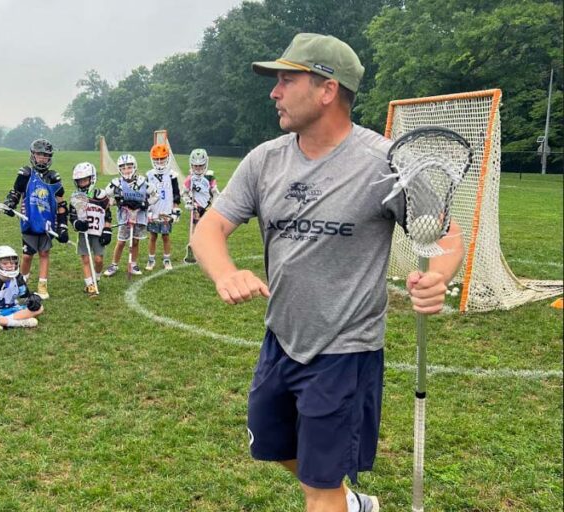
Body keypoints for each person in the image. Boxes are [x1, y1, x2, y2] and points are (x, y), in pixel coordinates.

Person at [190, 33, 464, 512]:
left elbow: (448, 235)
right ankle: (348, 500)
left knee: (319, 490)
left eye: (287, 80)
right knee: (272, 445)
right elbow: (208, 229)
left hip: (345, 352)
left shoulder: (385, 164)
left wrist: (438, 275)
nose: (274, 92)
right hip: (281, 340)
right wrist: (224, 272)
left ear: (327, 89)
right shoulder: (265, 160)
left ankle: (335, 497)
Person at [1, 138, 68, 300]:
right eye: (39, 154)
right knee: (27, 255)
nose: (42, 158)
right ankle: (21, 285)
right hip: (29, 221)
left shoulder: (53, 177)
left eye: (45, 155)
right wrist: (10, 204)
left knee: (44, 253)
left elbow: (61, 203)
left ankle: (42, 286)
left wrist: (63, 226)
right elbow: (15, 192)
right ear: (33, 155)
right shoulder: (26, 174)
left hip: (47, 222)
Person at [103, 154, 153, 277]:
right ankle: (114, 265)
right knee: (121, 242)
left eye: (129, 167)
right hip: (124, 217)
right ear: (120, 169)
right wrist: (115, 201)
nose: (127, 170)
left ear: (134, 167)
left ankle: (133, 264)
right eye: (123, 168)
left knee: (135, 241)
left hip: (139, 216)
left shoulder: (142, 182)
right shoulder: (117, 183)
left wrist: (146, 204)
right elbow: (105, 196)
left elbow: (155, 195)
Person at [69, 162, 112, 297]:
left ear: (92, 179)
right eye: (79, 181)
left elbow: (108, 214)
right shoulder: (75, 197)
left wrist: (107, 230)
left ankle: (96, 277)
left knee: (98, 259)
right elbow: (72, 216)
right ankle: (89, 285)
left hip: (98, 232)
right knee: (86, 259)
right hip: (85, 234)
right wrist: (77, 224)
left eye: (85, 180)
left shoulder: (101, 196)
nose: (82, 183)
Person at [145, 143, 181, 271]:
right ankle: (151, 260)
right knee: (153, 236)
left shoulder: (172, 175)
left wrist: (175, 209)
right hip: (154, 211)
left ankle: (166, 259)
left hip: (166, 211)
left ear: (167, 158)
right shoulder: (149, 175)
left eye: (162, 159)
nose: (159, 162)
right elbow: (146, 195)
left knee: (166, 236)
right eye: (157, 159)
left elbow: (176, 193)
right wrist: (148, 210)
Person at [182, 148, 220, 227]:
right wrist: (188, 202)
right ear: (191, 165)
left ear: (205, 164)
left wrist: (214, 206)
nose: (198, 168)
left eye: (201, 165)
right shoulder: (190, 178)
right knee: (196, 227)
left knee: (207, 227)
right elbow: (184, 192)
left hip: (208, 206)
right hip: (196, 207)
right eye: (195, 166)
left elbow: (215, 192)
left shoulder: (209, 177)